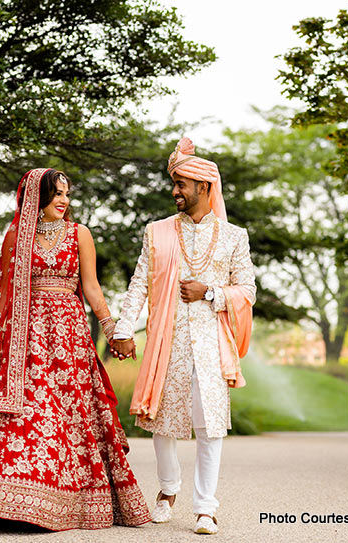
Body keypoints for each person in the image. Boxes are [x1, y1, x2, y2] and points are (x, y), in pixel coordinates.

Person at [0, 168, 151, 531]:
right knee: (25, 413)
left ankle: (67, 505)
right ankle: (7, 504)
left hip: (69, 339)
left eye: (67, 194)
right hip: (27, 340)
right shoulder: (15, 236)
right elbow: (5, 294)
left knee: (69, 416)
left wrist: (113, 328)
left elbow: (92, 287)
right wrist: (4, 345)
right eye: (55, 194)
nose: (63, 201)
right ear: (35, 197)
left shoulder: (79, 233)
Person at [110, 138, 256, 535]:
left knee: (211, 427)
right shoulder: (156, 232)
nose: (174, 191)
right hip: (167, 341)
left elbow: (247, 290)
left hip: (212, 345)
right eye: (173, 184)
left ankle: (206, 508)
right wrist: (123, 328)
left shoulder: (233, 236)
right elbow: (139, 283)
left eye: (181, 184)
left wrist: (210, 292)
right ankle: (168, 488)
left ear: (205, 188)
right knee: (161, 421)